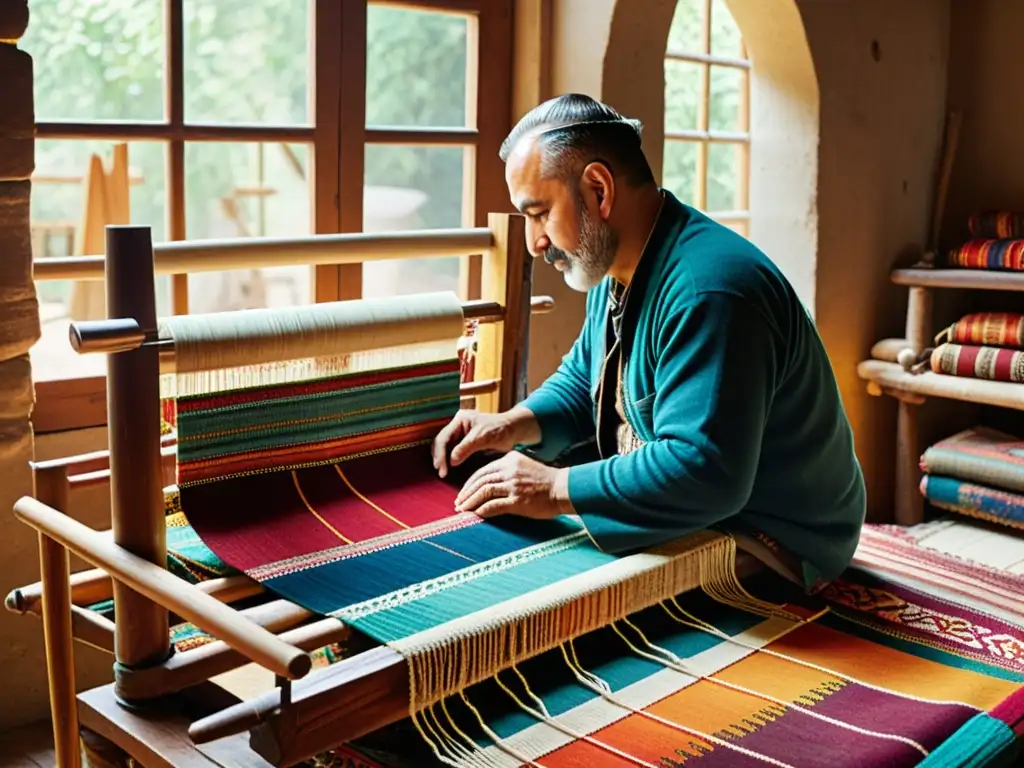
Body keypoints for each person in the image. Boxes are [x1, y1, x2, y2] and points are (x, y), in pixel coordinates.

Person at [431, 93, 866, 592]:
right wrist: (511, 424)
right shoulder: (617, 265)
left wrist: (555, 487)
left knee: (560, 609)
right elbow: (583, 383)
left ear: (598, 189)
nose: (535, 243)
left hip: (776, 535)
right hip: (713, 504)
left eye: (540, 213)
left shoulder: (712, 290)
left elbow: (704, 471)